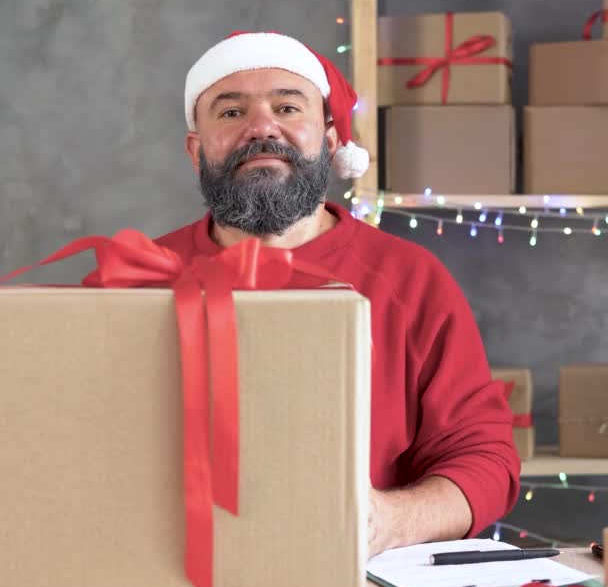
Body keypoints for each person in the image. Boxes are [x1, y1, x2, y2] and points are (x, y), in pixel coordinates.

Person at [155, 30, 520, 558]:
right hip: (171, 578)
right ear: (196, 150)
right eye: (231, 113)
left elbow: (484, 458)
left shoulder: (410, 279)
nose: (262, 127)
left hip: (361, 586)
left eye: (287, 106)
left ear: (328, 140)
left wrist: (387, 521)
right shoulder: (134, 279)